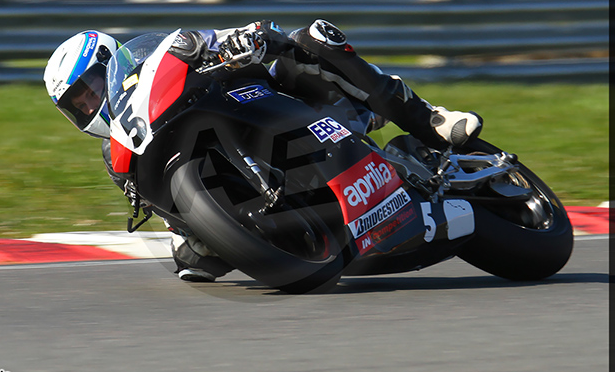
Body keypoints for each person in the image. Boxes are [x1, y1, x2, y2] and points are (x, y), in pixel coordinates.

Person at [43, 20, 482, 283]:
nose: (87, 105)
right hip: (245, 187)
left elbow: (230, 39)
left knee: (312, 38)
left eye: (89, 91)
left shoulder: (157, 57)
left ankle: (429, 119)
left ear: (110, 62)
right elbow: (159, 205)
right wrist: (195, 229)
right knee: (191, 260)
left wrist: (245, 39)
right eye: (76, 106)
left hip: (284, 102)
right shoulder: (114, 153)